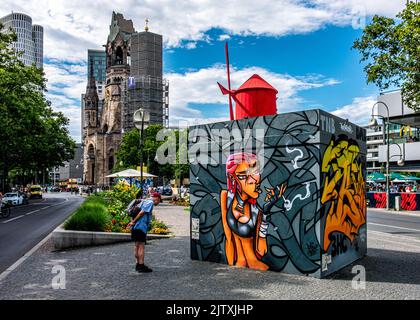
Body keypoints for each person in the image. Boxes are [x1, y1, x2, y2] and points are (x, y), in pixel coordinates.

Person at [127, 192, 161, 273]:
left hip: (135, 227)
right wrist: (133, 222)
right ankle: (141, 266)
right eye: (159, 201)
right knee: (141, 246)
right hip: (140, 227)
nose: (158, 203)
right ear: (157, 198)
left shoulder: (143, 201)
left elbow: (135, 212)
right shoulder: (150, 202)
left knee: (136, 246)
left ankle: (137, 264)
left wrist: (132, 222)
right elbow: (142, 213)